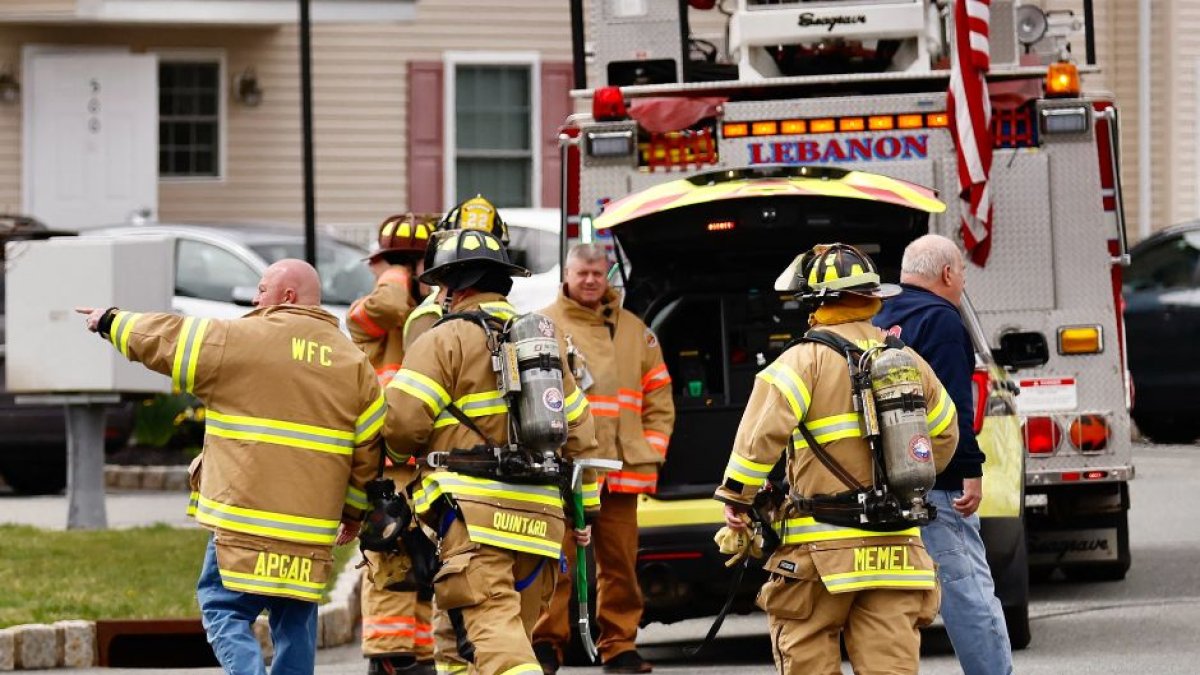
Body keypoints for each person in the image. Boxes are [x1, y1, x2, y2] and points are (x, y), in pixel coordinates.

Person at [77, 259, 382, 675]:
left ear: (287, 296)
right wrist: (353, 512)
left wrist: (110, 321)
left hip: (243, 519)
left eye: (261, 288)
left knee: (223, 607)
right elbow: (367, 451)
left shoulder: (242, 339)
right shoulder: (355, 364)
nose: (255, 298)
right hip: (308, 529)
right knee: (295, 618)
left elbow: (168, 339)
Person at [714, 243, 958, 674]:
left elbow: (757, 440)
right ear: (872, 297)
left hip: (820, 556)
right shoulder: (906, 361)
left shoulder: (799, 362)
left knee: (807, 656)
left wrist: (738, 499)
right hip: (897, 551)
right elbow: (944, 435)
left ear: (815, 303)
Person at [382, 228, 605, 674]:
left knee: (496, 641)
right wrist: (587, 511)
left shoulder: (442, 339)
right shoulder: (544, 343)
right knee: (460, 643)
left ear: (456, 287)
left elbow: (403, 425)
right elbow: (580, 433)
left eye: (443, 287)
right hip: (541, 521)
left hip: (473, 517)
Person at [873, 233, 1014, 675]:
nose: (963, 280)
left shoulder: (877, 318)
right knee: (966, 587)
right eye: (964, 272)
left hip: (879, 481)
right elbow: (954, 406)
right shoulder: (943, 319)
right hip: (936, 482)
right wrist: (969, 471)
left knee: (886, 600)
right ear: (949, 273)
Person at [531, 244, 675, 674]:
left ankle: (620, 648)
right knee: (556, 563)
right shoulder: (544, 325)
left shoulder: (635, 331)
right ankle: (544, 646)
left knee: (620, 567)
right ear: (567, 276)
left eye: (597, 273)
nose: (591, 281)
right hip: (566, 473)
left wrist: (651, 449)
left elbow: (659, 396)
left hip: (621, 472)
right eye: (583, 274)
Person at [347, 213, 439, 675]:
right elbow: (388, 306)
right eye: (399, 265)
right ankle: (391, 657)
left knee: (427, 562)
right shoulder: (371, 317)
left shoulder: (438, 315)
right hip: (390, 466)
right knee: (391, 558)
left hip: (432, 462)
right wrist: (403, 271)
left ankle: (419, 654)